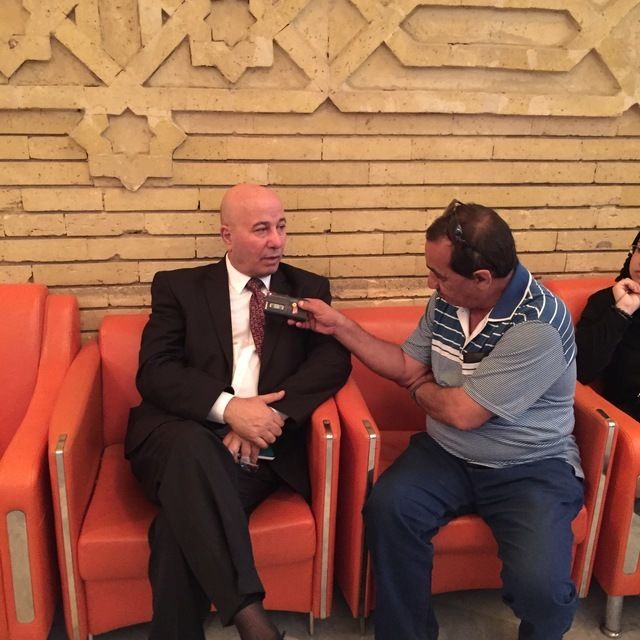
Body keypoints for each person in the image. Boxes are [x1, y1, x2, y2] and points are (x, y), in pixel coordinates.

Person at [294, 200, 584, 640]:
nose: (431, 283)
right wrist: (339, 326)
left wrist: (417, 388)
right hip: (447, 454)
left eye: (440, 275)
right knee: (390, 510)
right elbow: (406, 365)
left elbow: (463, 413)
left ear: (482, 278)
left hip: (530, 466)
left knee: (541, 588)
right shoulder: (448, 303)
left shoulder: (537, 324)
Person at [125, 183, 351, 640]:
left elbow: (331, 363)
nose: (276, 241)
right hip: (177, 434)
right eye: (262, 229)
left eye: (281, 227)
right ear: (227, 235)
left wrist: (269, 419)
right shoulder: (180, 288)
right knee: (191, 445)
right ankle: (252, 621)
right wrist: (229, 410)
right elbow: (155, 370)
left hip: (258, 448)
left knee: (175, 530)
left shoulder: (307, 289)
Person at [575, 232, 640, 420]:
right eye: (639, 250)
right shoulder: (605, 302)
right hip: (628, 415)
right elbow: (580, 370)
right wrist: (622, 311)